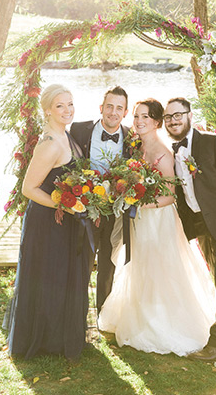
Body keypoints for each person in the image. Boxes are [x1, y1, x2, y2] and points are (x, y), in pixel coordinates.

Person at [98, 99, 216, 356]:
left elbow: (172, 195)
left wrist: (139, 204)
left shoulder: (163, 152)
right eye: (137, 116)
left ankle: (163, 322)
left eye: (145, 117)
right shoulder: (137, 146)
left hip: (158, 220)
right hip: (141, 218)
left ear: (156, 122)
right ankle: (142, 314)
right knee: (141, 266)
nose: (139, 121)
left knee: (160, 269)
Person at [3, 84, 91, 361]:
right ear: (47, 111)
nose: (67, 110)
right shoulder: (49, 144)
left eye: (70, 104)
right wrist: (65, 204)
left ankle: (58, 335)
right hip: (47, 221)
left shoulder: (66, 135)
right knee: (49, 276)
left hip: (63, 219)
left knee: (61, 276)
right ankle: (43, 339)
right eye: (60, 106)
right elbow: (29, 189)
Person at [163, 97, 216, 361]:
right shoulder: (173, 150)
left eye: (178, 114)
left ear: (189, 115)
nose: (174, 120)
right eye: (168, 117)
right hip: (200, 224)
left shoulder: (214, 142)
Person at [70, 86, 130, 314]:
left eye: (119, 108)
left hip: (115, 213)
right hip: (84, 211)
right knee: (80, 261)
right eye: (109, 106)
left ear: (125, 112)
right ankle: (76, 312)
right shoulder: (79, 130)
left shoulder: (131, 137)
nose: (113, 112)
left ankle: (103, 312)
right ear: (101, 108)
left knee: (109, 262)